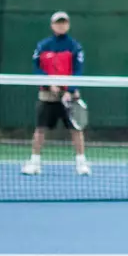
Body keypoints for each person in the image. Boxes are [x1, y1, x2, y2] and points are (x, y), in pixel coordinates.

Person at [21, 11, 90, 176]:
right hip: (47, 96)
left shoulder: (75, 46)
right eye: (58, 22)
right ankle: (35, 163)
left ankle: (81, 164)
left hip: (69, 97)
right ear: (52, 25)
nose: (61, 25)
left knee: (76, 130)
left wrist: (70, 90)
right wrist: (48, 83)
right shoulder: (43, 45)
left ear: (68, 25)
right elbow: (36, 68)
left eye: (64, 22)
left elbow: (78, 70)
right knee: (40, 129)